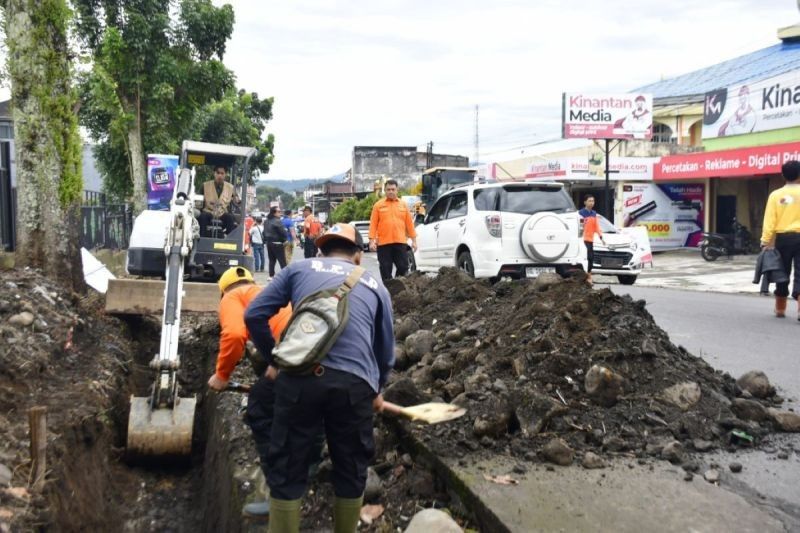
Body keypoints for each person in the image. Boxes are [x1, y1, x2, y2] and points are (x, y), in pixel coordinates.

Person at [244, 223, 395, 533]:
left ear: (321, 250)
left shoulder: (298, 268)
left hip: (299, 378)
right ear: (357, 257)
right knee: (351, 469)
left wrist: (274, 359)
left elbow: (254, 314)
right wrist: (377, 389)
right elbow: (385, 351)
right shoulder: (376, 286)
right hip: (354, 386)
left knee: (287, 467)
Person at [207, 266, 293, 518]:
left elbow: (234, 335)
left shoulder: (232, 297)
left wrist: (222, 376)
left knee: (258, 409)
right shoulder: (264, 292)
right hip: (309, 352)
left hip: (291, 360)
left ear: (223, 291)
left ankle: (278, 496)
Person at [760, 160, 800, 319]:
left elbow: (769, 220)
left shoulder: (775, 195)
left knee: (782, 272)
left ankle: (780, 309)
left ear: (783, 175)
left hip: (783, 239)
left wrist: (765, 240)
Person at [368, 180, 417, 280]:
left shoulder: (403, 205)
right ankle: (388, 290)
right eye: (388, 190)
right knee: (385, 269)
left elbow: (409, 224)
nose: (391, 192)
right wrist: (371, 241)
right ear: (385, 191)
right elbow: (373, 224)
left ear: (397, 190)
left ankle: (396, 285)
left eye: (393, 189)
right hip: (383, 244)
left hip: (400, 242)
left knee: (403, 267)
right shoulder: (378, 205)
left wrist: (414, 241)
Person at [198, 165, 239, 237]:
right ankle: (202, 239)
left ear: (225, 174)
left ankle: (229, 240)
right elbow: (198, 199)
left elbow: (237, 201)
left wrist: (237, 201)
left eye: (222, 173)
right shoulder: (205, 185)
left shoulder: (230, 188)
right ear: (214, 173)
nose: (220, 175)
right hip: (208, 212)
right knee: (202, 216)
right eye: (218, 173)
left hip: (222, 213)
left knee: (230, 217)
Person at [579, 195, 605, 285]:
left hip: (590, 240)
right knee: (584, 258)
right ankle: (586, 277)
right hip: (582, 240)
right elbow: (580, 226)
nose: (591, 203)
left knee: (590, 259)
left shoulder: (594, 213)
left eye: (593, 201)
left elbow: (597, 226)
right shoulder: (580, 213)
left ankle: (588, 275)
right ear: (585, 202)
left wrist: (601, 237)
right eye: (589, 201)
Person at [265, 207, 288, 277]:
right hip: (277, 243)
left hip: (269, 243)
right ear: (274, 213)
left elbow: (264, 232)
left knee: (271, 261)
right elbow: (283, 232)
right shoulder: (278, 221)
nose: (280, 213)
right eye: (279, 211)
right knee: (282, 261)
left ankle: (271, 276)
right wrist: (284, 240)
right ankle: (285, 276)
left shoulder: (266, 221)